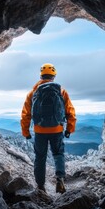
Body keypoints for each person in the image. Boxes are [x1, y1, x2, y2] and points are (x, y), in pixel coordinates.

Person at [21, 63, 76, 193]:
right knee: (58, 154)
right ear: (54, 76)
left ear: (41, 76)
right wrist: (69, 129)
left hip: (39, 131)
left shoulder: (32, 93)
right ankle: (60, 179)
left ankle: (40, 186)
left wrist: (26, 132)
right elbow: (70, 112)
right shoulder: (61, 91)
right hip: (57, 129)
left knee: (40, 157)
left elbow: (26, 114)